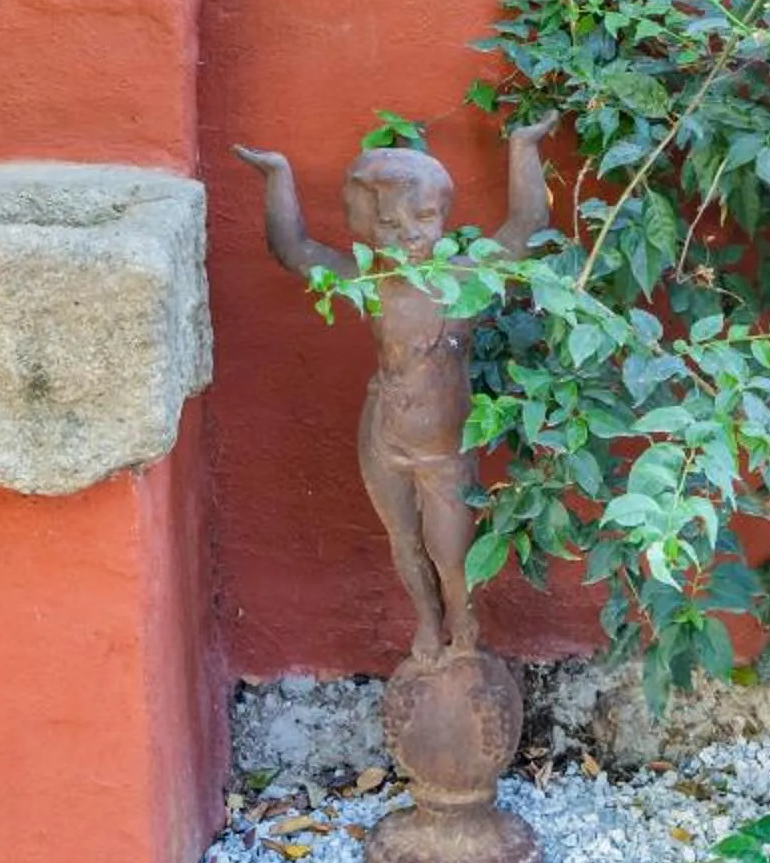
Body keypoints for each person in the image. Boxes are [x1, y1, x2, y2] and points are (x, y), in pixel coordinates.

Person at [233, 115, 555, 661]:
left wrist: (523, 146)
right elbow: (294, 250)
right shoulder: (371, 283)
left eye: (424, 217)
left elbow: (525, 227)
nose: (409, 235)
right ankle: (429, 625)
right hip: (382, 435)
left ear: (443, 218)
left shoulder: (463, 279)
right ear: (367, 228)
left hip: (445, 450)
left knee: (451, 554)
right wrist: (278, 175)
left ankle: (463, 627)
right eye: (390, 225)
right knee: (404, 542)